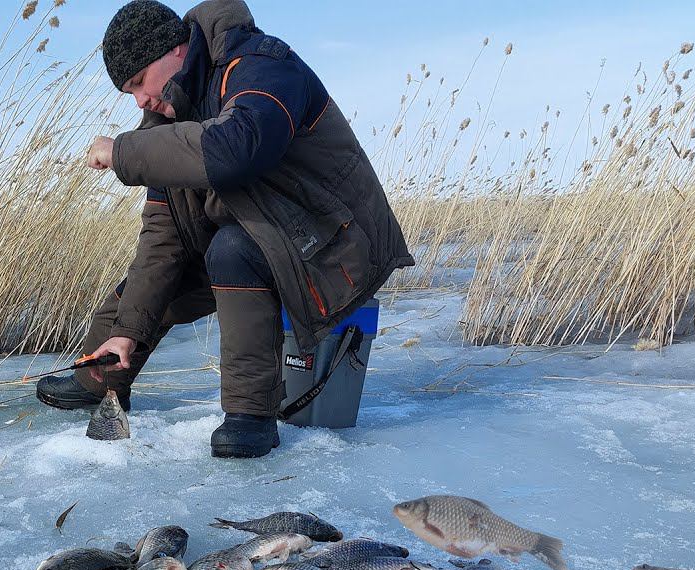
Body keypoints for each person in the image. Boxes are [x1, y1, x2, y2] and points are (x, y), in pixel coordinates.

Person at [37, 0, 413, 458]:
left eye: (139, 82)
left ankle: (250, 416)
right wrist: (126, 333)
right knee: (157, 275)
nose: (139, 101)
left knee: (231, 250)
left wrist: (124, 152)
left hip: (333, 242)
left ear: (174, 50)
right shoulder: (165, 122)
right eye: (128, 93)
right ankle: (99, 380)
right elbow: (162, 241)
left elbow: (237, 148)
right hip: (265, 239)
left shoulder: (262, 65)